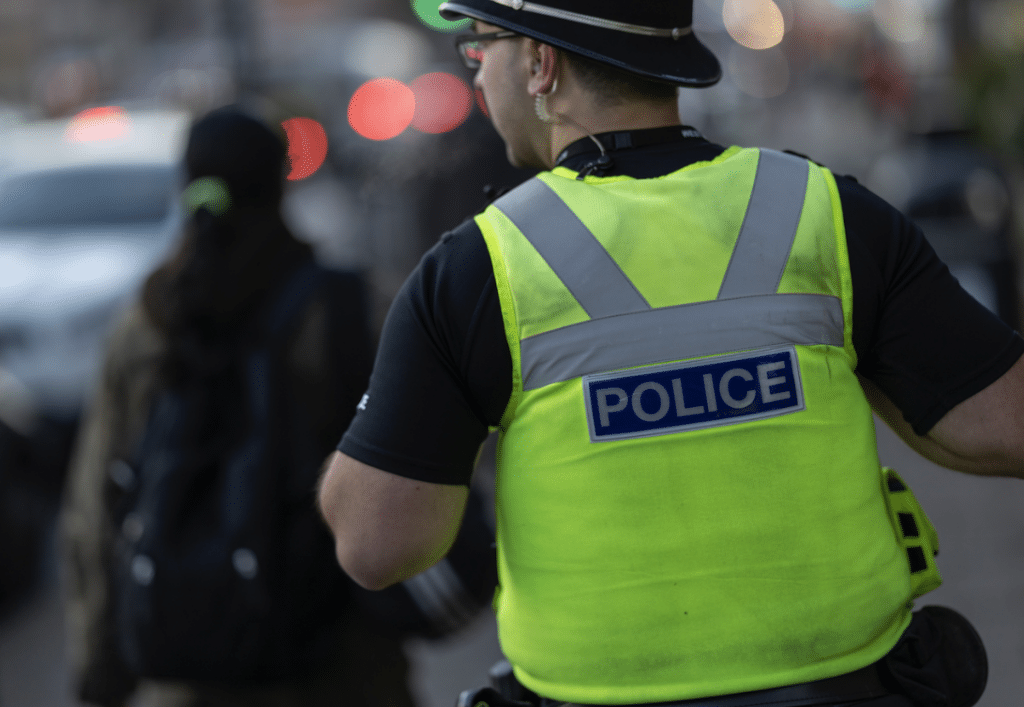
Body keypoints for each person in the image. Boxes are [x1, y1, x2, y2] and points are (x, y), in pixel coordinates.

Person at [317, 2, 1024, 706]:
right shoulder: (825, 215)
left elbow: (377, 544)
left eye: (482, 49)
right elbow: (1006, 423)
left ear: (540, 63)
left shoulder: (478, 268)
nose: (476, 76)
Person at [61, 106, 415, 707]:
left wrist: (101, 668)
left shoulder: (148, 324)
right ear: (280, 183)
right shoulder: (349, 311)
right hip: (340, 664)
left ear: (188, 186)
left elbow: (96, 510)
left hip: (189, 667)